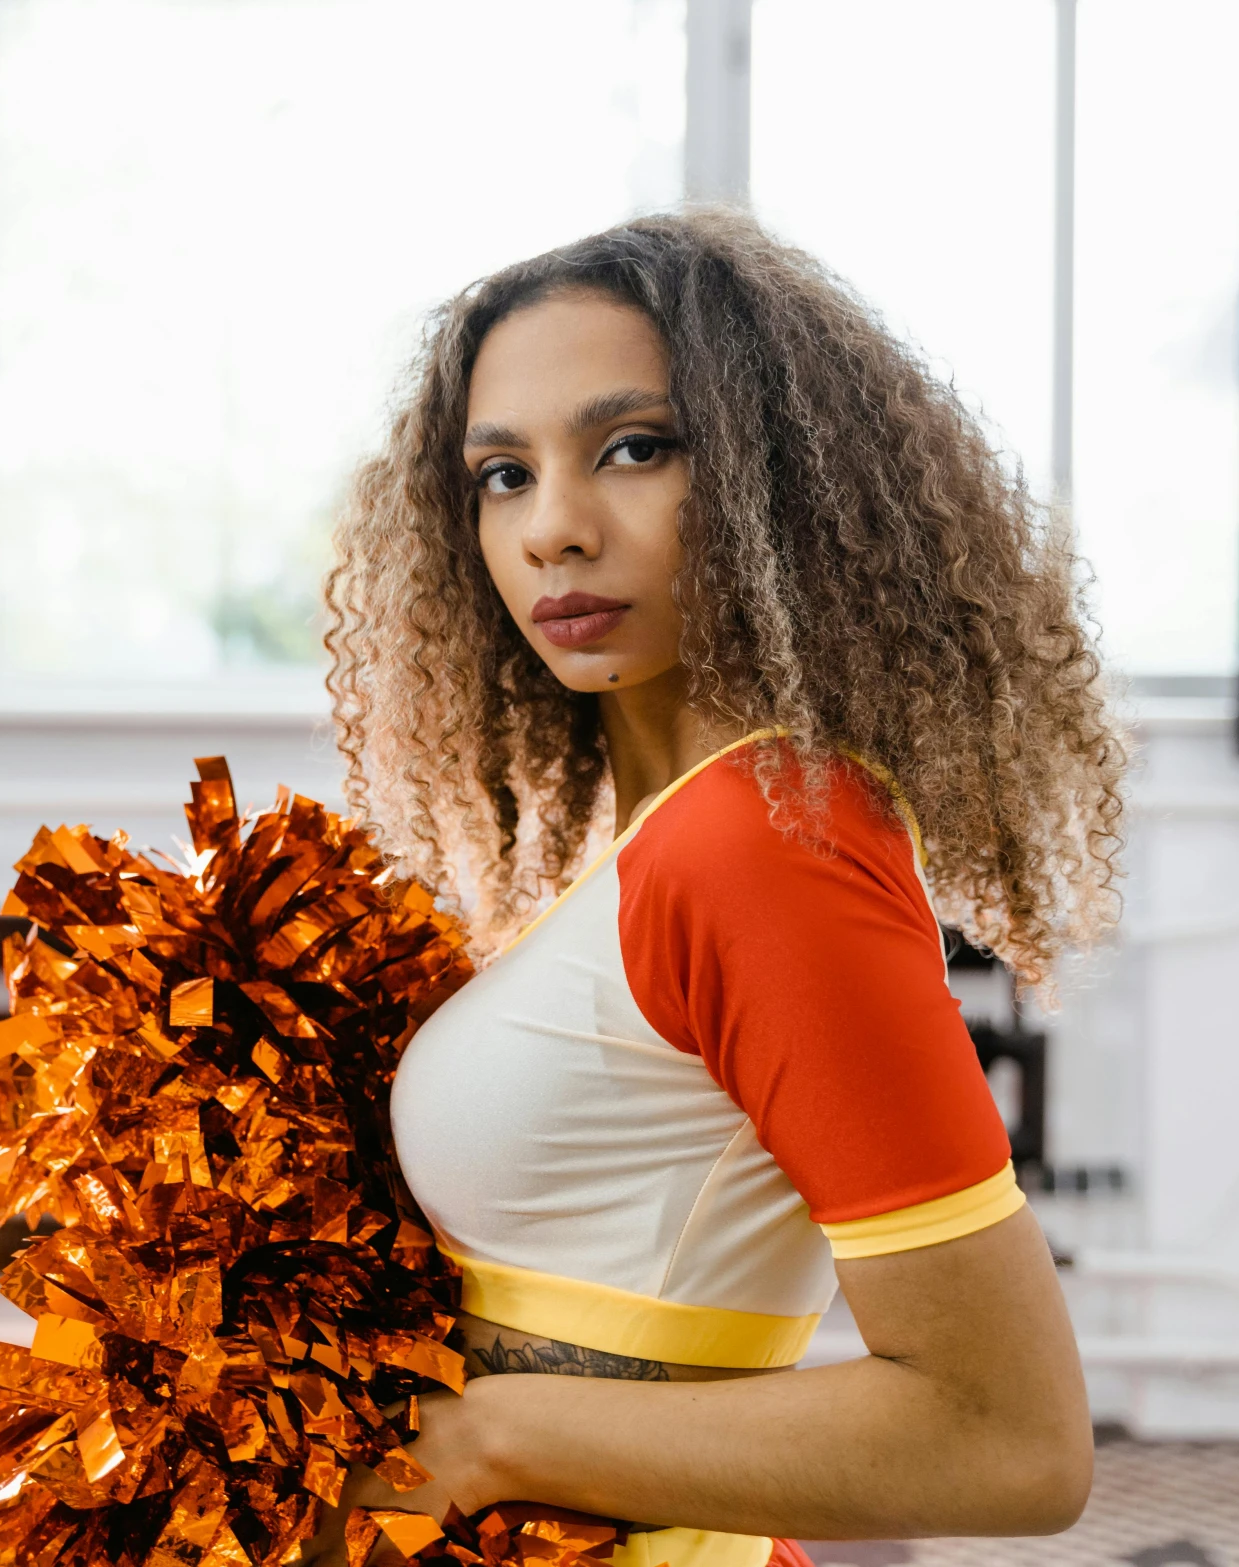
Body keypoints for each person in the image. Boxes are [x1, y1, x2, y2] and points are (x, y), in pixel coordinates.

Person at [311, 209, 1127, 1565]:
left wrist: (486, 1438)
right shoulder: (650, 838)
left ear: (774, 481)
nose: (553, 529)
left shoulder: (763, 843)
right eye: (502, 474)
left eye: (635, 448)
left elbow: (1007, 1438)